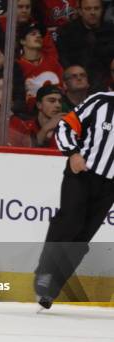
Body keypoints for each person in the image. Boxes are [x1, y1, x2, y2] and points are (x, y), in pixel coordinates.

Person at [34, 91, 114, 309]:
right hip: (82, 173)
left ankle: (53, 288)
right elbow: (66, 125)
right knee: (69, 223)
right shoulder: (101, 101)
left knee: (82, 238)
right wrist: (73, 154)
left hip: (110, 186)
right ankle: (45, 272)